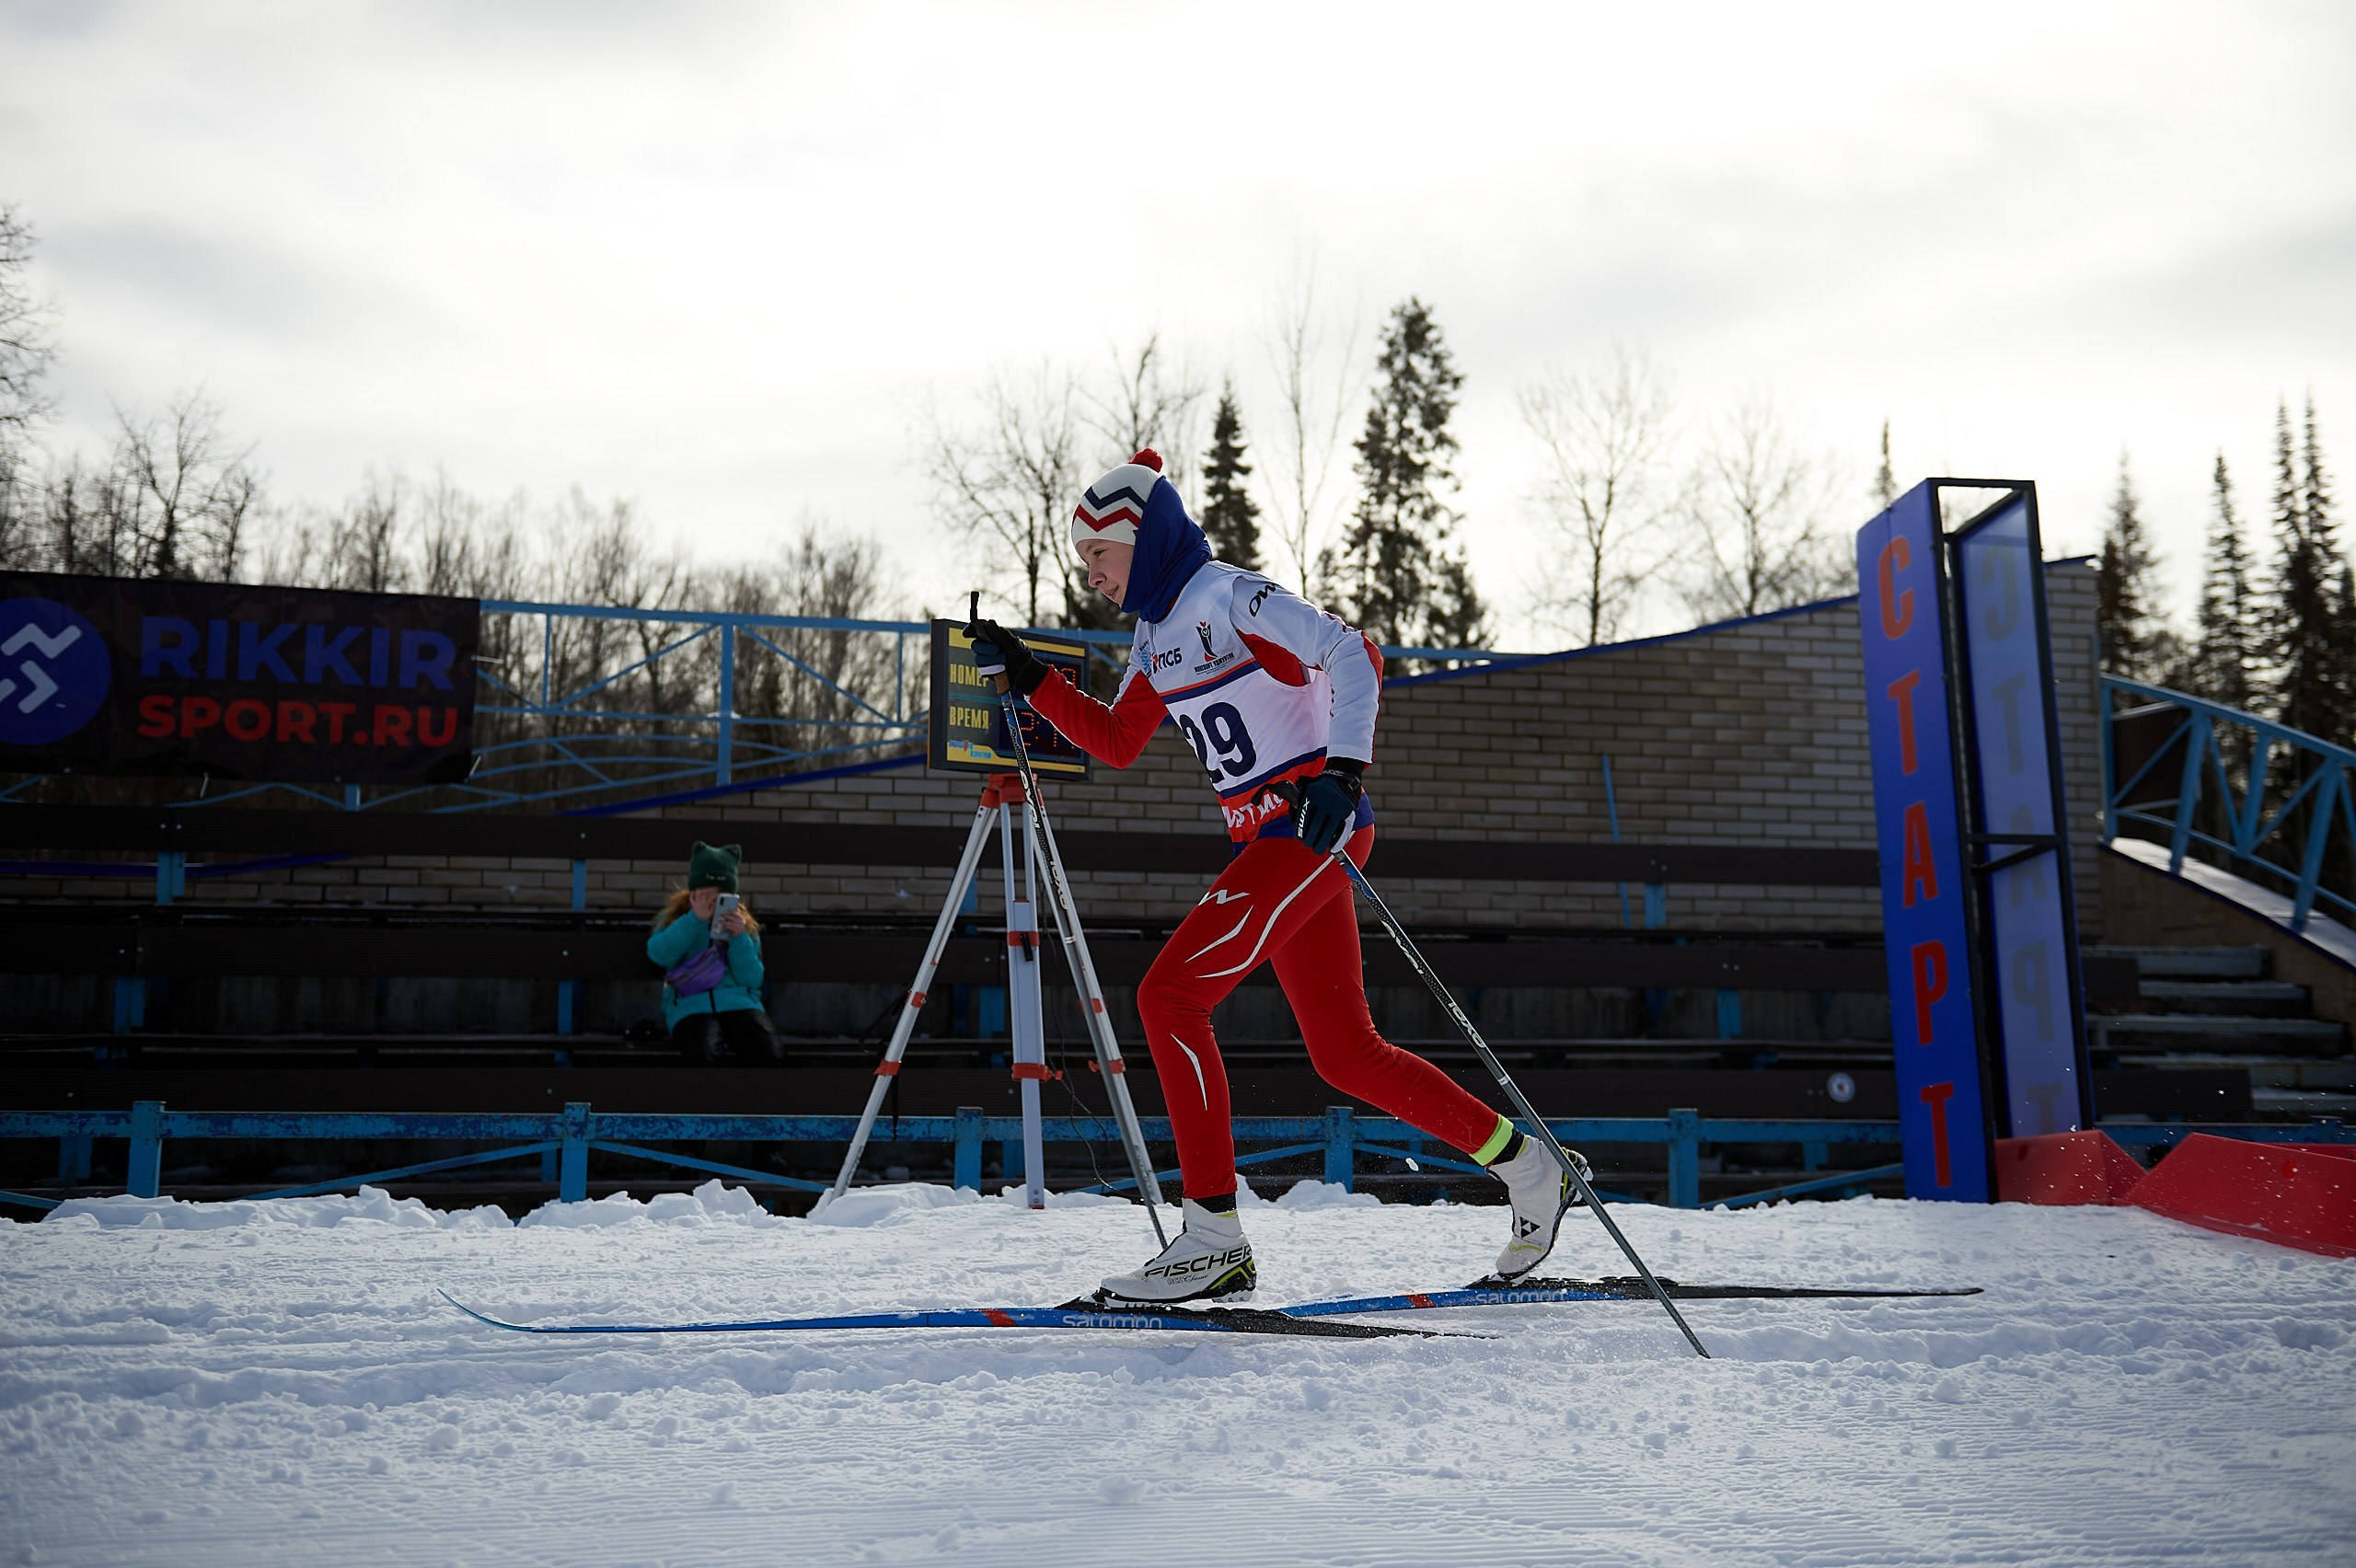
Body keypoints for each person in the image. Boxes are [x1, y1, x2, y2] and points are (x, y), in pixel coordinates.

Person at [964, 448, 1579, 1304]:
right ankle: (1528, 1166)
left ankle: (1213, 1237)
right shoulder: (1153, 634)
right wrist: (1029, 676)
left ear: (1140, 537)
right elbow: (1115, 740)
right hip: (1273, 843)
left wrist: (1344, 773)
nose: (1092, 577)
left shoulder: (1231, 596)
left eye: (1098, 557)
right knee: (1347, 1054)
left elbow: (1354, 654)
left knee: (1168, 998)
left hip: (1310, 827)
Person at [646, 841, 783, 1066]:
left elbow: (752, 979)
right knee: (703, 1051)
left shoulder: (743, 925)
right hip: (690, 1004)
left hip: (738, 1003)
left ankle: (752, 1102)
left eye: (720, 893)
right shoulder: (677, 917)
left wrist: (739, 937)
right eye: (705, 891)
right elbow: (659, 955)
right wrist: (694, 920)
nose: (710, 899)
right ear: (693, 890)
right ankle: (708, 1102)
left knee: (767, 1049)